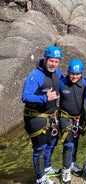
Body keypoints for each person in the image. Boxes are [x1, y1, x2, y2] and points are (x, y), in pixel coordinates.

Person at [22, 45, 63, 184]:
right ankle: (40, 179)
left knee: (52, 142)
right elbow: (25, 96)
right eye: (51, 60)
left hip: (51, 116)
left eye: (56, 61)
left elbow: (66, 83)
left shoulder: (57, 72)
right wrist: (45, 98)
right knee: (39, 148)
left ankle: (47, 167)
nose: (54, 64)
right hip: (36, 117)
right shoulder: (35, 75)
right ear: (45, 59)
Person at [58, 59, 86, 184]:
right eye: (72, 73)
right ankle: (65, 170)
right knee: (68, 144)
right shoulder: (62, 83)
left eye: (77, 74)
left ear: (81, 73)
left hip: (79, 118)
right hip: (65, 117)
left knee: (75, 141)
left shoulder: (85, 83)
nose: (74, 77)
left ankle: (73, 163)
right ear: (68, 72)